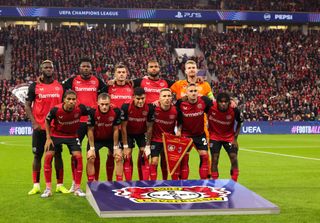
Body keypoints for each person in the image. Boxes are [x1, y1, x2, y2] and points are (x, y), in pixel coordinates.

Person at [62, 57, 107, 191]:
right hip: (78, 122)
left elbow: (106, 93)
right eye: (83, 66)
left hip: (94, 121)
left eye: (88, 66)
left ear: (91, 68)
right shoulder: (72, 81)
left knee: (94, 152)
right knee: (75, 153)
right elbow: (62, 93)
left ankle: (93, 183)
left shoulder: (98, 81)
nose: (86, 68)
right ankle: (75, 183)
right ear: (79, 68)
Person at [25, 60, 68, 195]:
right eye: (46, 67)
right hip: (40, 128)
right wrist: (34, 123)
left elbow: (64, 106)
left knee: (58, 155)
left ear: (53, 69)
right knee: (37, 155)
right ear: (41, 69)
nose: (49, 69)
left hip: (56, 129)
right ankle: (36, 185)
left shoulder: (60, 86)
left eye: (51, 67)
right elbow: (27, 105)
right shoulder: (34, 86)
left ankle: (59, 185)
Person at [42, 90, 94, 198]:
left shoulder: (81, 108)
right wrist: (48, 137)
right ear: (64, 100)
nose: (71, 101)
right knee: (48, 156)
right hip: (56, 135)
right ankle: (48, 189)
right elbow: (47, 121)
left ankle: (77, 188)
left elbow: (93, 111)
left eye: (73, 99)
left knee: (78, 157)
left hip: (72, 136)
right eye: (69, 99)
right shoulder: (56, 109)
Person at [132, 60, 175, 180]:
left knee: (163, 156)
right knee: (143, 153)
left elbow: (182, 85)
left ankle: (164, 181)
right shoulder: (141, 81)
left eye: (156, 66)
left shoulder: (166, 82)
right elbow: (125, 83)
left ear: (159, 68)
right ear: (147, 68)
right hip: (145, 122)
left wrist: (196, 80)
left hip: (160, 123)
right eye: (151, 67)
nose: (154, 68)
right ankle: (143, 180)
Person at [176, 83, 212, 180]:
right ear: (186, 93)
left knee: (204, 156)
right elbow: (176, 117)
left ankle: (203, 182)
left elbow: (213, 110)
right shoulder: (180, 103)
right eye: (191, 91)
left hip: (200, 134)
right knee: (184, 159)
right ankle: (183, 183)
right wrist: (178, 129)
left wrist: (210, 121)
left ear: (198, 92)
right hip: (185, 135)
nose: (193, 93)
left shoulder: (204, 101)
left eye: (195, 91)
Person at [207, 92, 243, 181]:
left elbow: (239, 122)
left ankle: (234, 181)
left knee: (234, 157)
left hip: (229, 137)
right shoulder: (210, 107)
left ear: (229, 102)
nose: (223, 104)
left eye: (226, 102)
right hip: (214, 136)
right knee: (215, 159)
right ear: (217, 102)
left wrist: (235, 139)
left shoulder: (234, 110)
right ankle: (215, 182)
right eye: (221, 102)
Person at [106, 63, 133, 181]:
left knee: (127, 155)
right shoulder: (108, 87)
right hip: (112, 126)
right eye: (119, 72)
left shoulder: (131, 86)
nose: (121, 74)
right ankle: (109, 180)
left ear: (127, 74)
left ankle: (127, 182)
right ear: (115, 74)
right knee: (111, 154)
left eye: (123, 72)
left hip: (128, 126)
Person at [86, 93, 122, 182]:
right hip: (97, 139)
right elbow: (90, 130)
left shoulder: (116, 111)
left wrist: (116, 147)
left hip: (110, 138)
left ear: (110, 103)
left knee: (118, 156)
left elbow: (116, 129)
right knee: (90, 157)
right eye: (102, 104)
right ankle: (92, 183)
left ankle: (118, 183)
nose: (104, 107)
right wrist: (92, 148)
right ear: (98, 103)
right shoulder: (92, 111)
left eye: (106, 104)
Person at [121, 87, 154, 181]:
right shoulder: (126, 106)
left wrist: (148, 145)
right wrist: (125, 146)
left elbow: (150, 127)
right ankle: (128, 182)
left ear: (145, 97)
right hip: (128, 133)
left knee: (145, 154)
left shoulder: (149, 107)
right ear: (133, 97)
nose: (140, 101)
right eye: (138, 99)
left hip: (141, 133)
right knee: (127, 155)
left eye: (142, 98)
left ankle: (144, 182)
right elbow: (123, 127)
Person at [149, 88, 178, 180]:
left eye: (169, 96)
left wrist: (179, 131)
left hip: (169, 140)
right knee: (154, 161)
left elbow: (180, 123)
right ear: (159, 98)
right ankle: (152, 184)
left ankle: (165, 181)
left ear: (172, 98)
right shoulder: (153, 108)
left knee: (166, 162)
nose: (167, 98)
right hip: (155, 139)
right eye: (164, 96)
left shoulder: (176, 110)